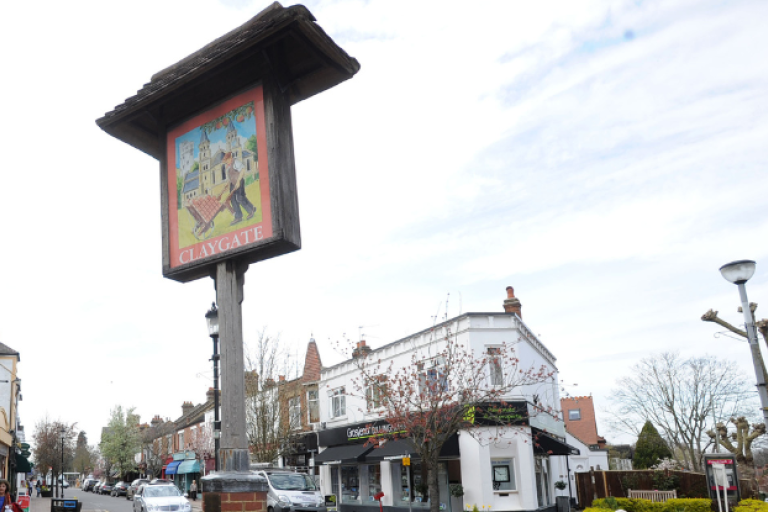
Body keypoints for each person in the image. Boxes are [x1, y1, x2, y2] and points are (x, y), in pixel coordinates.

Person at [225, 156, 255, 226]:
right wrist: (228, 183)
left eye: (226, 160)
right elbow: (231, 177)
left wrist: (238, 181)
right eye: (224, 161)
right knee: (233, 200)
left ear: (230, 158)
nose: (225, 162)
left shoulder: (235, 162)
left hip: (239, 181)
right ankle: (238, 217)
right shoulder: (228, 167)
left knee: (239, 198)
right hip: (233, 184)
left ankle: (250, 211)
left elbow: (242, 170)